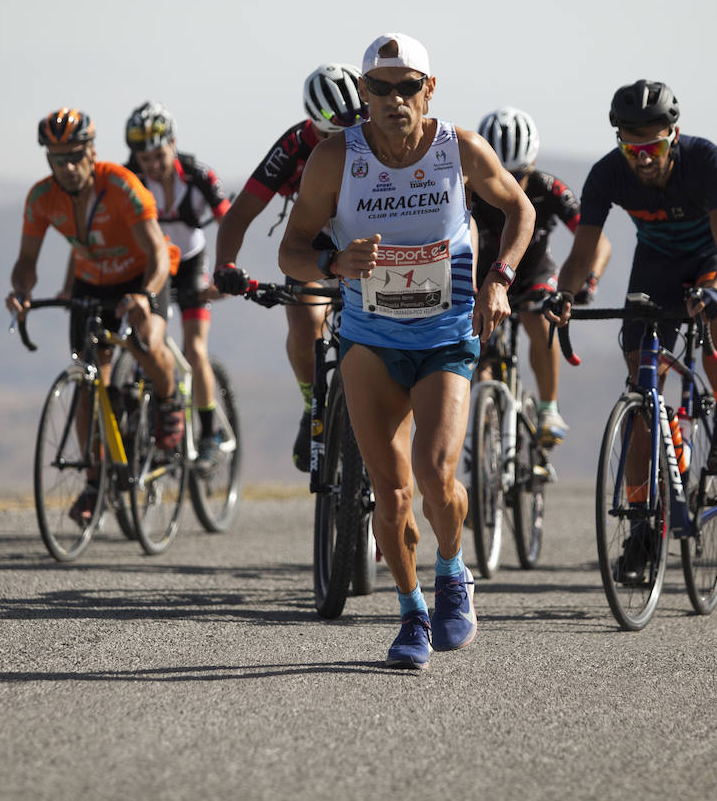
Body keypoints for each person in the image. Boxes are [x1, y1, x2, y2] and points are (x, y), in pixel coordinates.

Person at [278, 33, 533, 670]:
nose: (395, 100)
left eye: (408, 87)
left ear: (430, 89)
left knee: (436, 475)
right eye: (381, 89)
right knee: (389, 497)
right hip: (370, 339)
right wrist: (334, 262)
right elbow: (291, 250)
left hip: (446, 335)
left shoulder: (459, 149)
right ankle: (411, 610)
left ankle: (453, 569)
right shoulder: (337, 159)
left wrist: (499, 278)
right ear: (364, 94)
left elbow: (520, 209)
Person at [547, 80, 717, 583]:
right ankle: (642, 527)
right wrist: (564, 295)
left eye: (653, 147)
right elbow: (580, 255)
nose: (642, 158)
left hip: (709, 264)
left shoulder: (706, 161)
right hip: (654, 265)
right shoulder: (608, 173)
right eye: (631, 147)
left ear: (673, 135)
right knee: (642, 396)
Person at [6, 108, 183, 522]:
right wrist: (20, 292)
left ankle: (170, 402)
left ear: (92, 151)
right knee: (88, 378)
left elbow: (158, 252)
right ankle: (95, 481)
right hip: (92, 281)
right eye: (56, 158)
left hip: (144, 275)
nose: (66, 166)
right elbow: (26, 261)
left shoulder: (121, 185)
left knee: (146, 339)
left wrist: (144, 295)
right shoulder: (41, 198)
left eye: (74, 155)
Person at [212, 63, 369, 471]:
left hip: (371, 237)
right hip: (316, 240)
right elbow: (240, 212)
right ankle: (312, 401)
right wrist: (225, 264)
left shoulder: (377, 136)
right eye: (333, 137)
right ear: (314, 128)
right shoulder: (294, 146)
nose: (346, 145)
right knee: (303, 323)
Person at [474, 106, 611, 446]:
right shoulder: (469, 187)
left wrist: (587, 281)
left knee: (540, 321)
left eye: (517, 174)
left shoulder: (548, 188)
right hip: (486, 275)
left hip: (534, 273)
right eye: (497, 174)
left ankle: (549, 408)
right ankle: (482, 417)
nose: (507, 185)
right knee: (477, 337)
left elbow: (598, 242)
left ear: (532, 165)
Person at [122, 101, 232, 469]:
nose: (151, 164)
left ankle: (209, 432)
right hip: (154, 268)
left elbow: (229, 223)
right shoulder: (130, 177)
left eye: (158, 154)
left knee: (195, 348)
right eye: (143, 157)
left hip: (189, 267)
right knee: (143, 342)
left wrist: (225, 272)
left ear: (173, 143)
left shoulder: (199, 175)